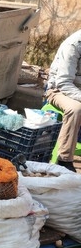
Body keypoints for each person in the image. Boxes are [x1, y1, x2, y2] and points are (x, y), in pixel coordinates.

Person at [46, 29, 81, 172]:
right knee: (76, 109)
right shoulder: (73, 45)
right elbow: (63, 82)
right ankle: (64, 160)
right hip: (59, 90)